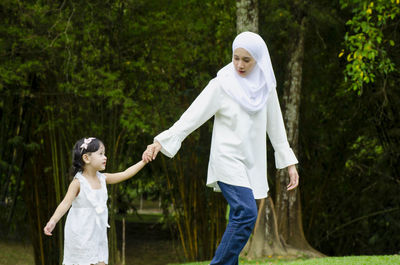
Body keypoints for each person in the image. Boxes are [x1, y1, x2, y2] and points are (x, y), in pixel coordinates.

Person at [142, 31, 299, 265]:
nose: (240, 64)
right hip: (226, 160)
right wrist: (160, 142)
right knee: (246, 213)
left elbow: (276, 127)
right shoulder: (221, 84)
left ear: (259, 60)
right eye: (236, 58)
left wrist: (289, 163)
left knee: (239, 217)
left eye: (247, 60)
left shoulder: (267, 87)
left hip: (250, 163)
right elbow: (191, 117)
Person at [44, 137, 147, 265]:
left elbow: (125, 173)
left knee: (100, 261)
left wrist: (144, 161)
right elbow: (65, 203)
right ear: (86, 158)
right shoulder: (78, 183)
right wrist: (53, 221)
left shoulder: (103, 178)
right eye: (101, 154)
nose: (105, 157)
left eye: (104, 154)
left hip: (98, 233)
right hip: (80, 233)